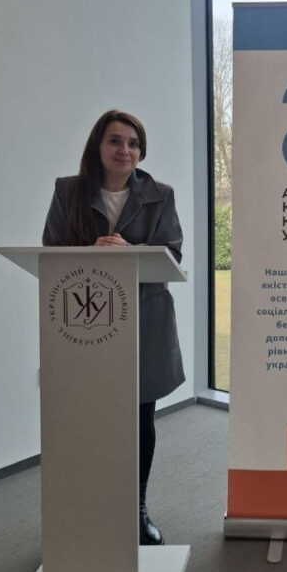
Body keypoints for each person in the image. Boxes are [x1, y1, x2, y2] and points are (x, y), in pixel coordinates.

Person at [43, 109, 185, 545]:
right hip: (85, 324)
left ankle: (136, 509)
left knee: (141, 417)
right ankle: (92, 509)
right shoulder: (68, 191)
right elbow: (51, 250)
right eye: (115, 141)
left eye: (133, 143)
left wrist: (130, 251)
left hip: (144, 320)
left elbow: (173, 254)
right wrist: (90, 250)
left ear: (141, 151)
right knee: (90, 420)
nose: (125, 150)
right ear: (98, 146)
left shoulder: (160, 194)